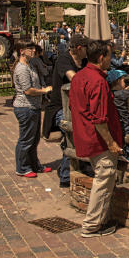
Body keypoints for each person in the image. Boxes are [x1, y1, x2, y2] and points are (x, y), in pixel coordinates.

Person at [69, 40, 124, 237]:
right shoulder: (97, 81)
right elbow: (99, 118)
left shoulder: (79, 76)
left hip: (85, 135)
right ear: (101, 58)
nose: (111, 59)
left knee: (102, 177)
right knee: (104, 178)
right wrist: (111, 142)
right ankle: (92, 225)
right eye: (109, 56)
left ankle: (101, 219)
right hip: (98, 140)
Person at [43, 34, 90, 188]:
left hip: (79, 107)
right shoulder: (64, 59)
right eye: (87, 48)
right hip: (60, 108)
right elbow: (74, 78)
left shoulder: (85, 61)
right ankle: (66, 175)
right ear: (79, 48)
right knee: (74, 133)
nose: (88, 50)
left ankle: (80, 167)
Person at [12, 41, 53, 178]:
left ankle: (34, 164)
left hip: (34, 107)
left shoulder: (30, 65)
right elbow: (28, 90)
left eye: (34, 48)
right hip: (25, 107)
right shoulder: (21, 69)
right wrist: (44, 90)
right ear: (22, 51)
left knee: (34, 139)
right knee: (26, 139)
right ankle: (22, 167)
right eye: (30, 48)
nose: (33, 51)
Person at [106, 69, 129, 159]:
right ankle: (124, 155)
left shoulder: (110, 93)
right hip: (124, 124)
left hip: (116, 123)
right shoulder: (120, 94)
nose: (125, 82)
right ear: (118, 81)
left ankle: (123, 154)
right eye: (123, 80)